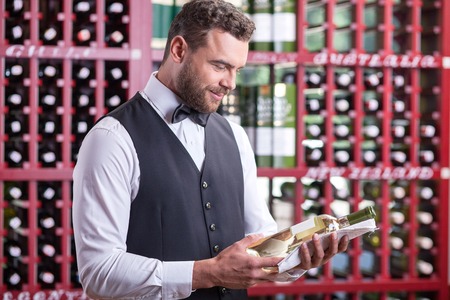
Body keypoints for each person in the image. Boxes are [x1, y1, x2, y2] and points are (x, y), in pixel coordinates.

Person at [72, 0, 349, 299]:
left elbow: (260, 238)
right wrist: (208, 272)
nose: (230, 83)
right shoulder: (112, 139)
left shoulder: (236, 136)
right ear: (179, 50)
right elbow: (98, 272)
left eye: (238, 70)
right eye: (220, 66)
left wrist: (299, 256)